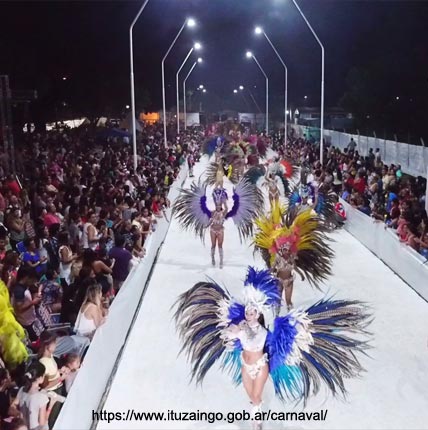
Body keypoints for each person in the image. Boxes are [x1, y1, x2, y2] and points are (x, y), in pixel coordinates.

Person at [174, 266, 371, 430]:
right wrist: (232, 328)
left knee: (257, 396)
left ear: (258, 314)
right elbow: (227, 333)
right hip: (245, 364)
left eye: (253, 312)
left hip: (261, 366)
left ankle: (256, 422)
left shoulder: (263, 332)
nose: (249, 314)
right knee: (251, 397)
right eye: (248, 311)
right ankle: (256, 414)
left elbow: (261, 338)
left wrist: (244, 329)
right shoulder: (241, 326)